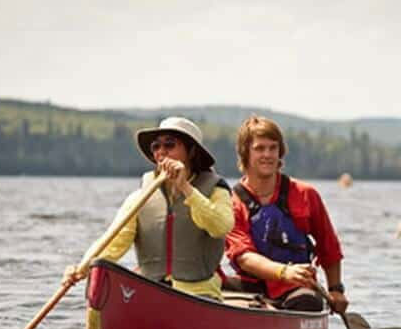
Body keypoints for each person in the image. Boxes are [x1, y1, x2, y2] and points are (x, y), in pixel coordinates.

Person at [63, 117, 234, 301]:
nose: (161, 152)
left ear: (191, 152)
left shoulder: (215, 190)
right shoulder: (140, 197)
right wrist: (82, 268)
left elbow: (221, 226)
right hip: (152, 291)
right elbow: (113, 242)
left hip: (200, 294)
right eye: (156, 147)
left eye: (170, 145)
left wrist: (186, 188)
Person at [224, 115, 347, 313]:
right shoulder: (231, 202)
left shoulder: (306, 194)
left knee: (307, 302)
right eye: (260, 148)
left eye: (273, 148)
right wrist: (283, 272)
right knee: (211, 290)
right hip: (250, 287)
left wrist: (336, 289)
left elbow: (328, 246)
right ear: (245, 153)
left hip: (297, 289)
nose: (268, 154)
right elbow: (243, 257)